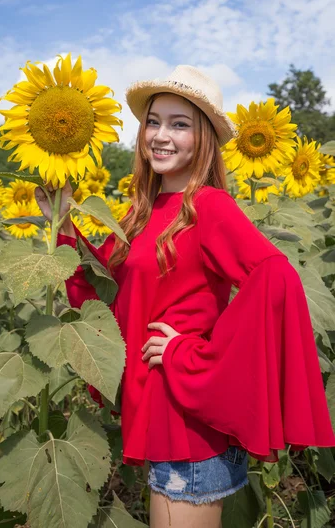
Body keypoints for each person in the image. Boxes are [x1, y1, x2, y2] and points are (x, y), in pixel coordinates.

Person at [35, 65, 335, 528]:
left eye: (179, 124)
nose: (161, 135)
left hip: (190, 431)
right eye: (154, 121)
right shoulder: (142, 210)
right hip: (166, 417)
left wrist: (192, 353)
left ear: (204, 139)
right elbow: (108, 294)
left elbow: (277, 278)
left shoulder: (209, 207)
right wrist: (62, 225)